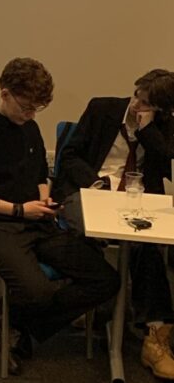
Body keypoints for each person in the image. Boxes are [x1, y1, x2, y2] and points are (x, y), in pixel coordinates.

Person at [0, 57, 119, 375]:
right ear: (5, 93)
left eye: (36, 109)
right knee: (36, 291)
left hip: (34, 221)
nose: (30, 115)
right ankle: (17, 325)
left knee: (106, 280)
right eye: (26, 107)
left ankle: (21, 325)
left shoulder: (30, 128)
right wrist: (17, 210)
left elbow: (42, 173)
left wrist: (43, 198)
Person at [56, 68, 174, 378]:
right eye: (138, 97)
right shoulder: (102, 108)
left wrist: (149, 132)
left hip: (137, 201)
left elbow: (167, 169)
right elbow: (68, 157)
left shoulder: (164, 127)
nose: (137, 106)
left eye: (147, 104)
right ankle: (89, 305)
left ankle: (156, 334)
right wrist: (96, 182)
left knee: (147, 249)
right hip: (91, 190)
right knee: (83, 237)